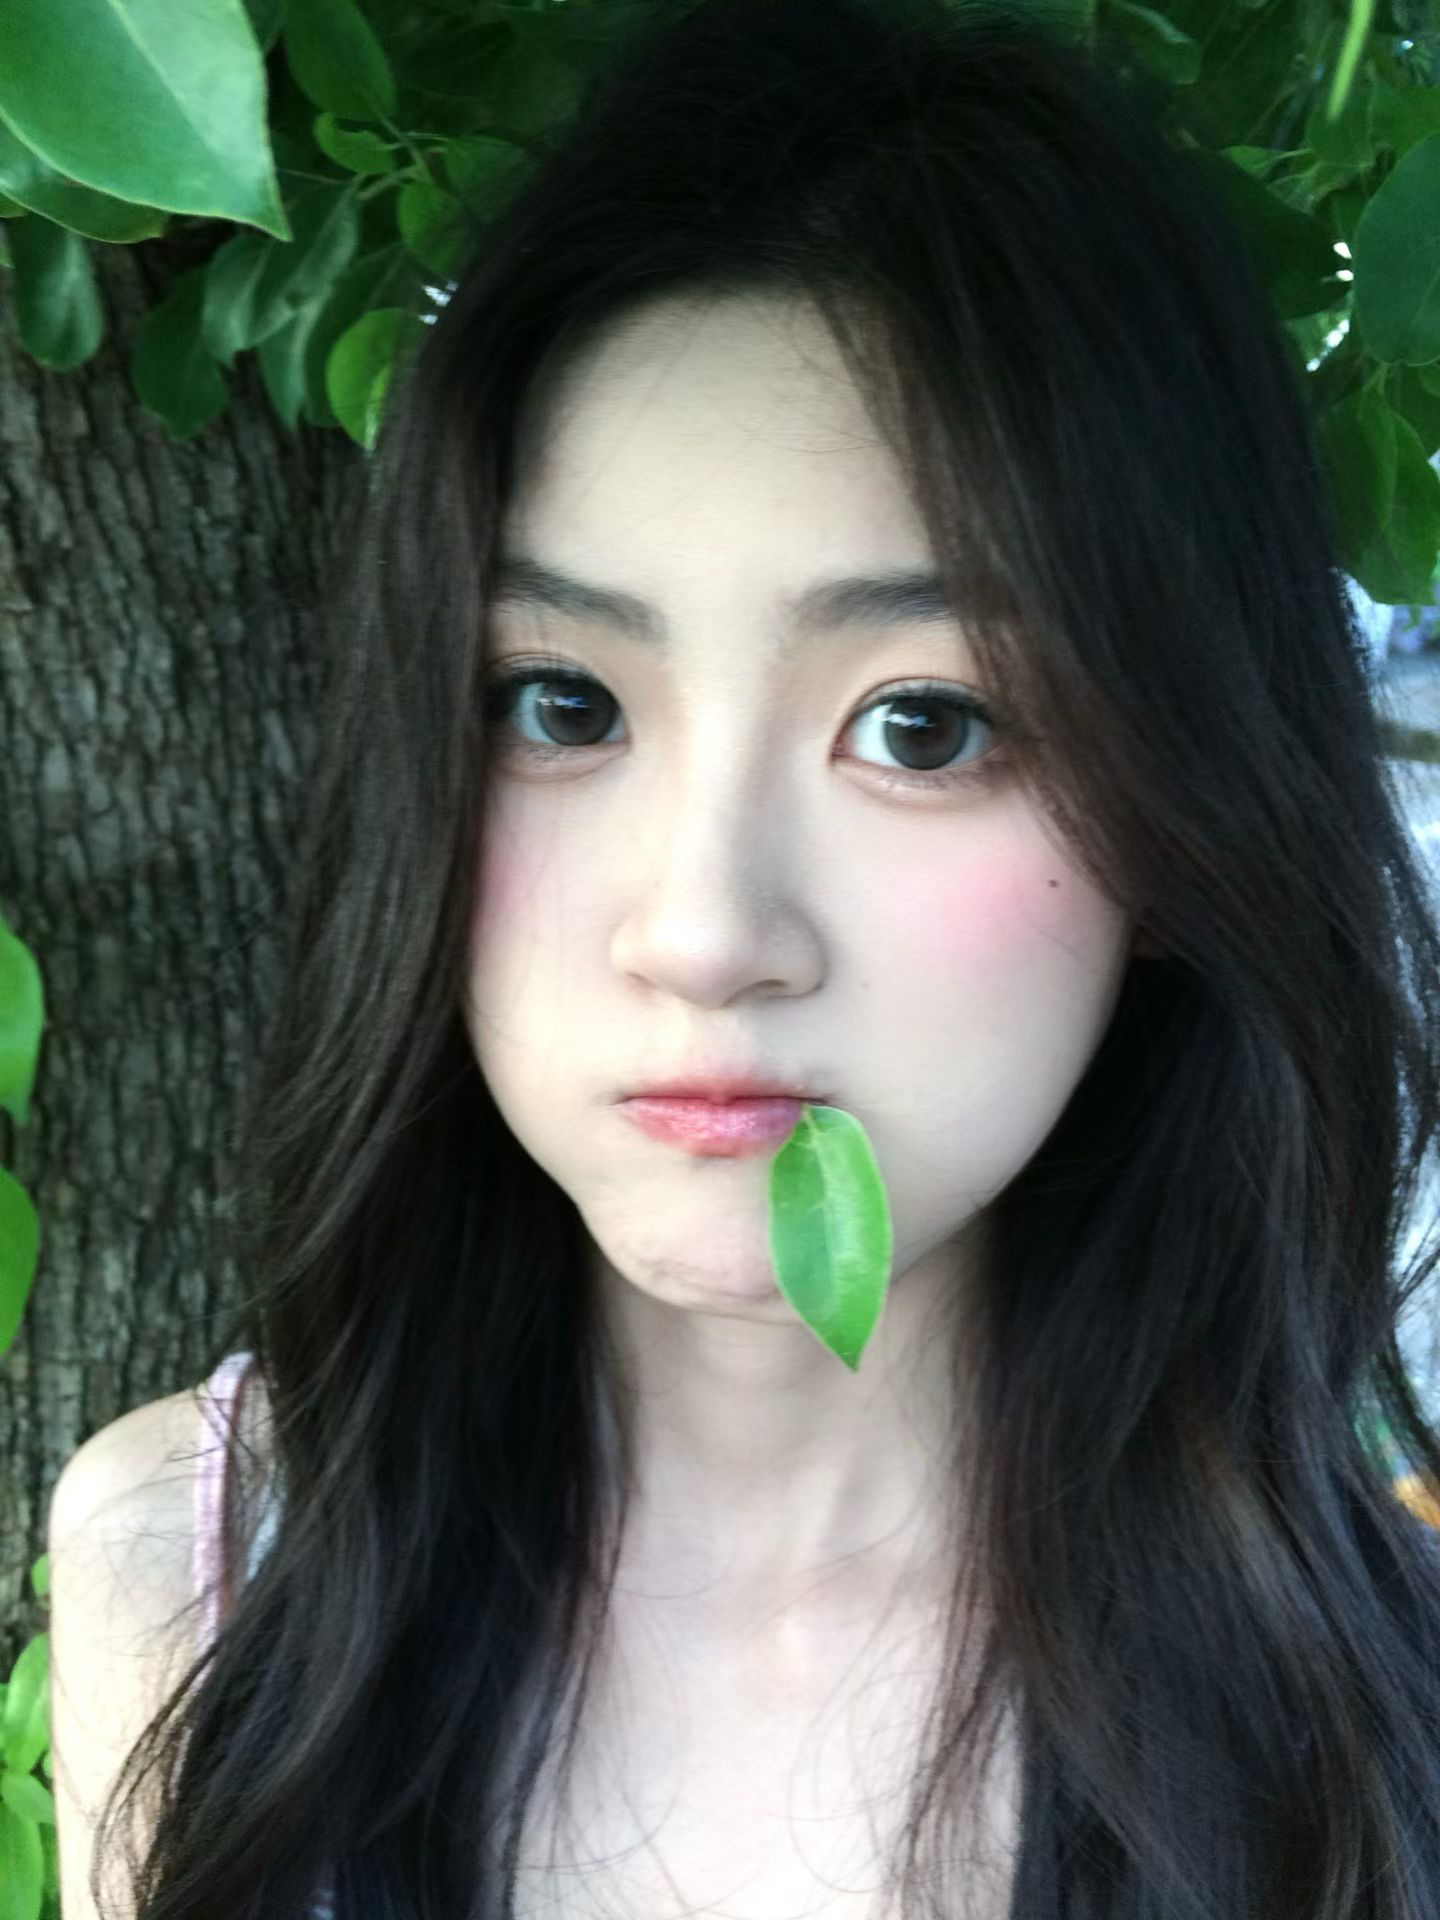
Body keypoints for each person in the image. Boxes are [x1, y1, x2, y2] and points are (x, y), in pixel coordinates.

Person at [46, 0, 1440, 1915]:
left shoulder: (1370, 1728)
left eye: (926, 725)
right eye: (560, 703)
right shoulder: (194, 1562)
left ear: (1185, 805)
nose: (704, 933)